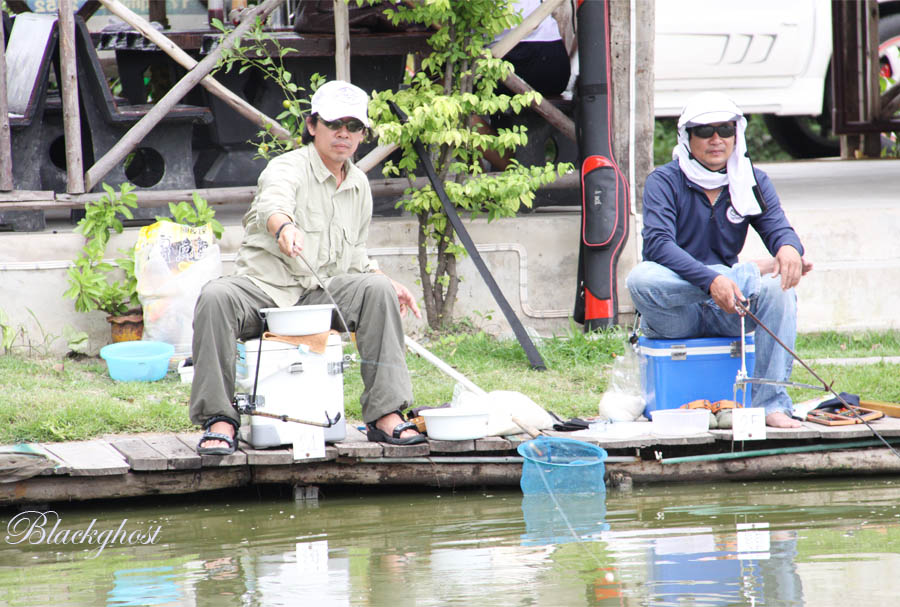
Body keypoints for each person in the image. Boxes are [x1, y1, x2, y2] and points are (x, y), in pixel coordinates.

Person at [191, 80, 425, 455]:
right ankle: (219, 419)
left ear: (363, 134)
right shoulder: (288, 167)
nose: (343, 134)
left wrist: (384, 279)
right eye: (334, 124)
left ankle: (385, 416)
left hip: (319, 299)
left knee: (378, 289)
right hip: (264, 291)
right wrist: (284, 227)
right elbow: (274, 204)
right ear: (313, 125)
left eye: (354, 126)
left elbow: (357, 256)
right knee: (216, 296)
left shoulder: (360, 184)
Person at [626, 91, 812, 429]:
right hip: (676, 313)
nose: (716, 139)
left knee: (779, 291)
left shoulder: (750, 179)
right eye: (705, 131)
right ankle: (744, 274)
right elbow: (658, 245)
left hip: (729, 309)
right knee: (641, 278)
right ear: (687, 137)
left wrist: (788, 249)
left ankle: (771, 403)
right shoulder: (664, 180)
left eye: (725, 130)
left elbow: (778, 228)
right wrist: (717, 279)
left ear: (736, 135)